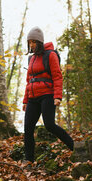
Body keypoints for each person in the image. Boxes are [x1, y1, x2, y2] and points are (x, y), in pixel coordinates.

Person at [22, 26, 74, 163]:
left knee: (49, 125)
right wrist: (25, 100)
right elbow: (29, 81)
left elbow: (57, 76)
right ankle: (28, 160)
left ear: (39, 42)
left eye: (34, 42)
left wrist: (57, 96)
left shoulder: (50, 55)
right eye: (29, 42)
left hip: (47, 95)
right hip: (33, 97)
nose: (31, 45)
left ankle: (74, 146)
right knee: (27, 128)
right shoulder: (31, 59)